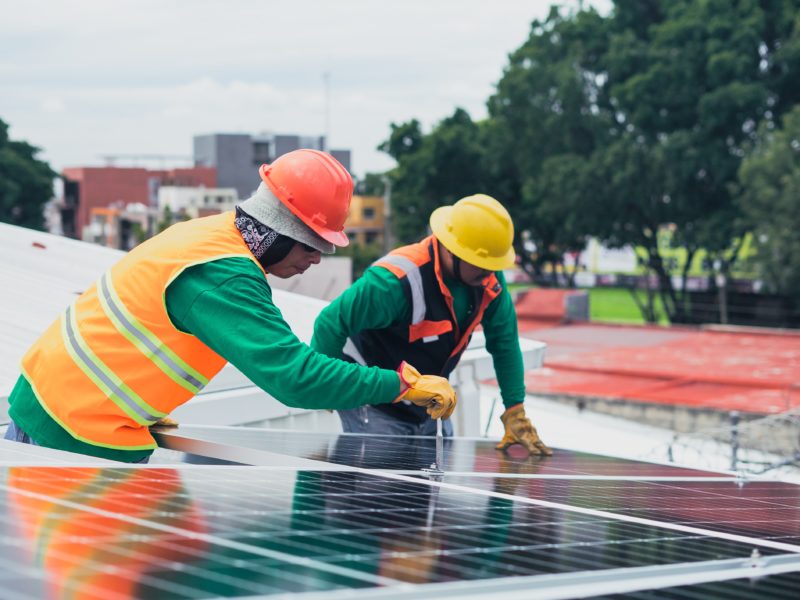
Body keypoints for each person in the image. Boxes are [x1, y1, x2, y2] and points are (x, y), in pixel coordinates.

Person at [4, 149, 456, 463]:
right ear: (281, 228)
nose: (317, 259)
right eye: (313, 244)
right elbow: (294, 379)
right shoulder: (224, 275)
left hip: (59, 404)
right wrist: (399, 384)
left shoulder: (211, 235)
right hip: (73, 429)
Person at [311, 194, 551, 455]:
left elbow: (504, 343)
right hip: (375, 402)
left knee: (430, 485)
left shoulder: (488, 282)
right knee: (382, 483)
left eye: (493, 265)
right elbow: (330, 323)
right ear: (451, 250)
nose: (490, 273)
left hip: (430, 401)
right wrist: (328, 387)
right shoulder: (394, 281)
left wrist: (515, 409)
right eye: (482, 264)